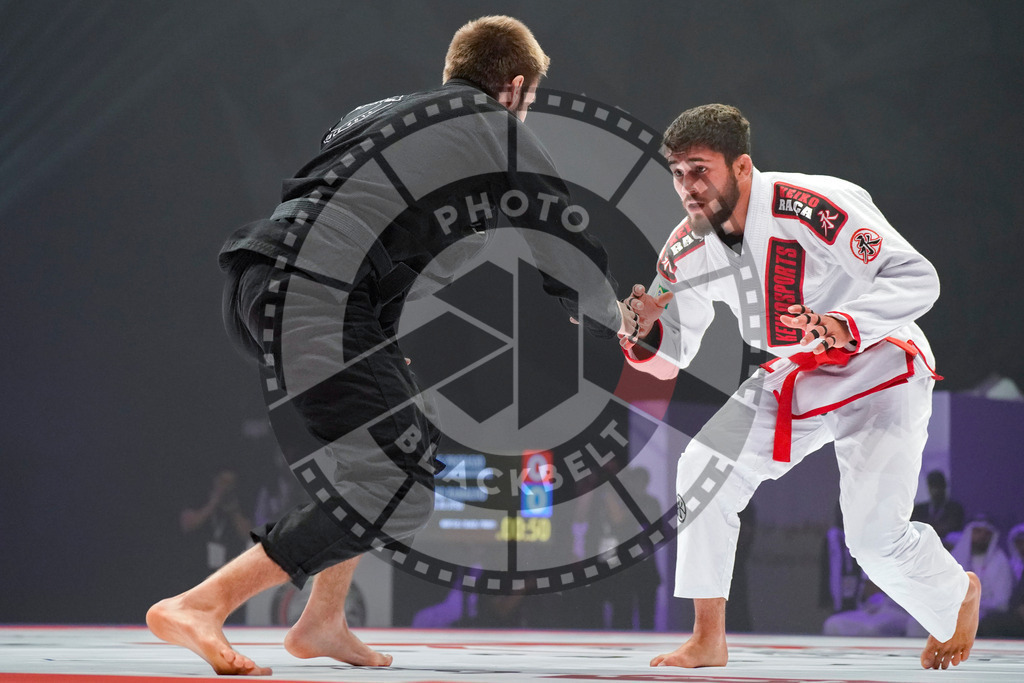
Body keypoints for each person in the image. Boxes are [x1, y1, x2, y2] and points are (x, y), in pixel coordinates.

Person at [146, 16, 641, 676]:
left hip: (260, 278)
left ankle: (323, 619)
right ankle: (201, 604)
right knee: (398, 485)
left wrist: (377, 338)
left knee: (387, 449)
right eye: (529, 100)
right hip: (319, 298)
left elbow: (357, 214)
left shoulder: (373, 115)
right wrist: (615, 318)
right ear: (516, 86)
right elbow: (562, 240)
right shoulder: (494, 126)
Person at [621, 104, 980, 670]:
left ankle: (957, 594)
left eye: (700, 170)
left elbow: (918, 278)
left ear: (742, 167)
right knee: (703, 467)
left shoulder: (811, 205)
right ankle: (708, 637)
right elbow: (673, 358)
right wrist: (643, 332)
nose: (688, 187)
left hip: (880, 362)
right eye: (678, 173)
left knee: (873, 542)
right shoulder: (685, 248)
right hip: (800, 370)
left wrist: (843, 323)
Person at [911, 470, 965, 547]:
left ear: (945, 487)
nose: (936, 490)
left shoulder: (955, 509)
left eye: (938, 486)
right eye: (933, 486)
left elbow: (952, 527)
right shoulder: (918, 509)